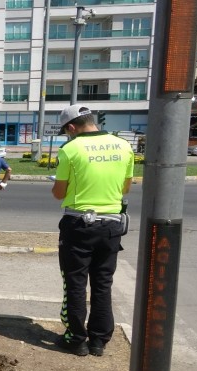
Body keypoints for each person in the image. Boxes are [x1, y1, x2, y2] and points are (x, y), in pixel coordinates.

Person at [51, 104, 134, 357]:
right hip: (111, 225)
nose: (68, 136)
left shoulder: (71, 149)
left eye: (67, 132)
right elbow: (126, 188)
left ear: (72, 127)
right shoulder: (123, 146)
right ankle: (99, 340)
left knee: (75, 282)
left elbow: (59, 193)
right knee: (102, 283)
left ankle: (76, 339)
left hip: (79, 224)